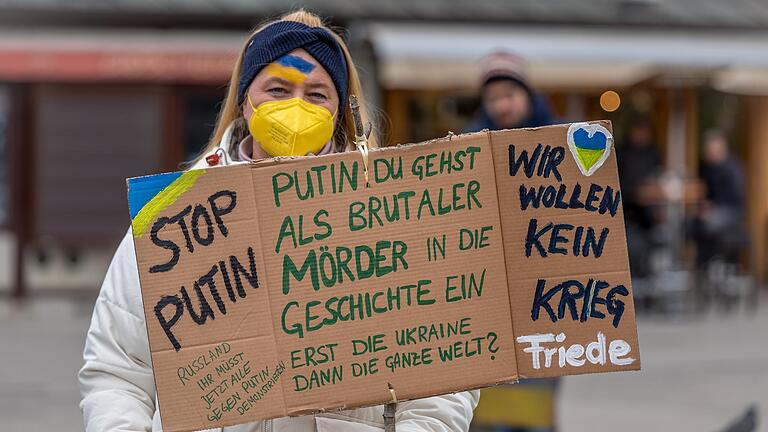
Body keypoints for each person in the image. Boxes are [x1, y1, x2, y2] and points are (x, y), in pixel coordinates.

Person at [78, 10, 478, 432]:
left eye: (317, 94)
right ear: (245, 101)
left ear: (340, 109)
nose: (296, 106)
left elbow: (444, 378)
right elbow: (117, 368)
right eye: (278, 88)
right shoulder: (173, 219)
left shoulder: (388, 214)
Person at [462, 51, 555, 432]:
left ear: (527, 94)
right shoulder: (466, 147)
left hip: (546, 299)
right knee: (487, 408)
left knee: (535, 406)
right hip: (489, 300)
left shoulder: (561, 142)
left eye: (509, 93)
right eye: (493, 96)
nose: (501, 104)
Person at [463, 51, 553, 133]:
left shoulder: (562, 134)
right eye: (493, 98)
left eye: (509, 95)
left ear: (527, 95)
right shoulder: (471, 139)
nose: (502, 107)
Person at [694, 129, 747, 265]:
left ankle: (713, 264)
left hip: (731, 212)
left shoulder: (732, 169)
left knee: (708, 223)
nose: (709, 153)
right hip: (712, 210)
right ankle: (705, 265)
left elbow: (734, 198)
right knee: (693, 223)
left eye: (712, 150)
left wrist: (712, 208)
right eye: (708, 150)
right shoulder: (705, 168)